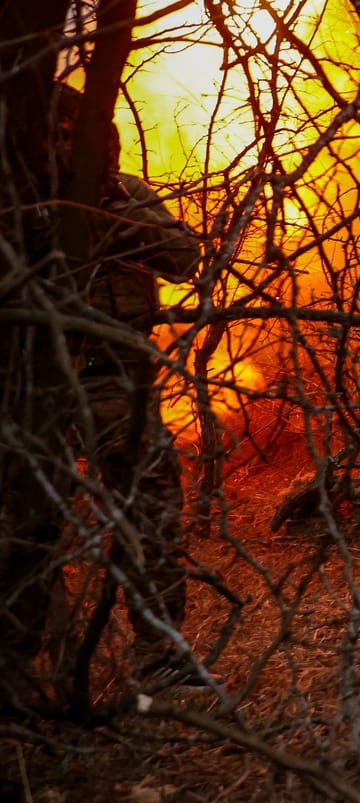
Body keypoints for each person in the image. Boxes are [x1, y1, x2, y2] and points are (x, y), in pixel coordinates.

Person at [58, 86, 202, 686]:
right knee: (29, 524)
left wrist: (111, 206)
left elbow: (183, 256)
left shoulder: (124, 193)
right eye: (58, 134)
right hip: (37, 389)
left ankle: (160, 655)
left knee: (151, 513)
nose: (70, 145)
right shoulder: (20, 202)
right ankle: (40, 655)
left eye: (80, 134)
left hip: (120, 383)